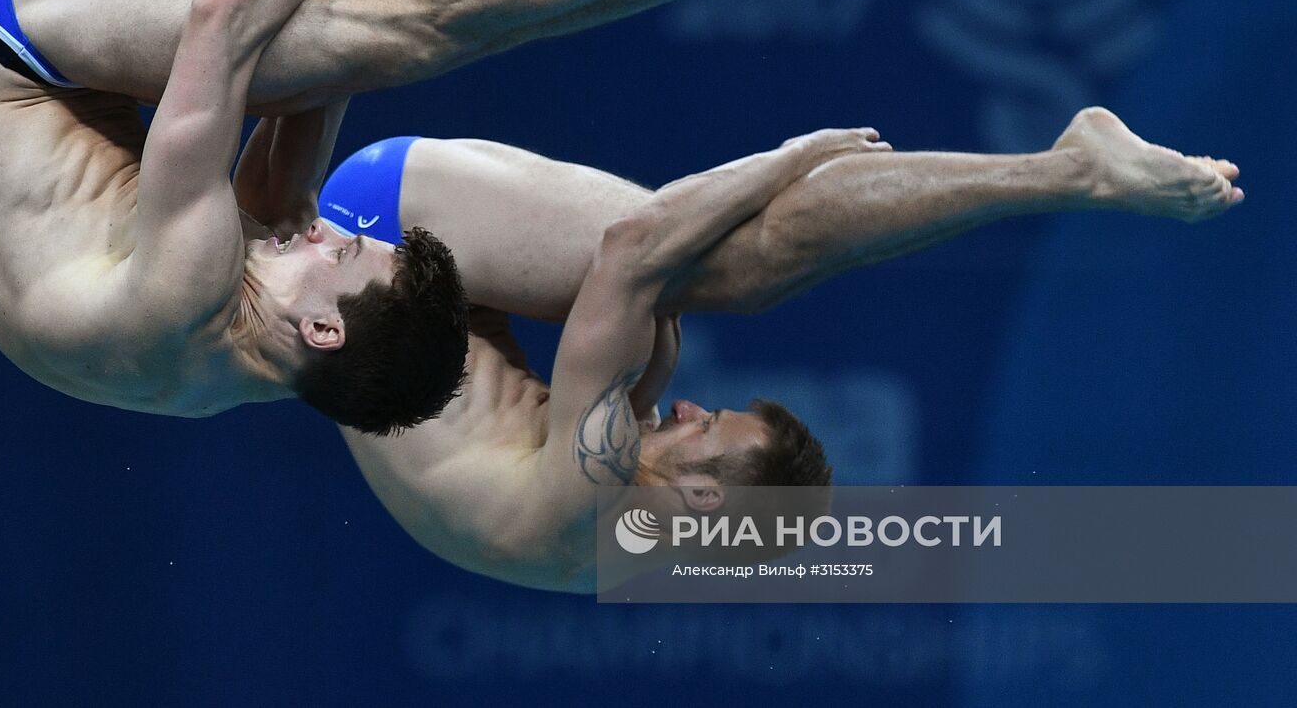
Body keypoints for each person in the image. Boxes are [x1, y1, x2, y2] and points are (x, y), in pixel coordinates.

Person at [0, 0, 940, 427]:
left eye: (341, 248)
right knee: (388, 28)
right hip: (61, 75)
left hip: (12, 11)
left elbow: (222, 18)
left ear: (322, 327)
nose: (324, 230)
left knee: (400, 30)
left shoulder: (189, 287)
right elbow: (302, 101)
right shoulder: (258, 347)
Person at [311, 110, 1241, 591]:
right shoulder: (629, 543)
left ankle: (1071, 168)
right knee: (680, 292)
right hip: (412, 297)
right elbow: (625, 352)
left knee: (739, 264)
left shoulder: (594, 499)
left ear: (708, 495)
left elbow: (630, 251)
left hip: (373, 223)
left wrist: (788, 155)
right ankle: (1067, 172)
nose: (684, 412)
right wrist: (643, 359)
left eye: (706, 426)